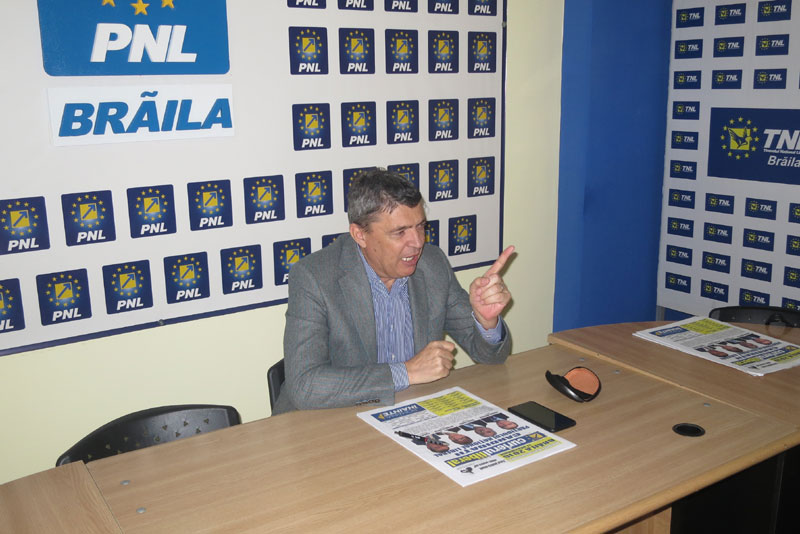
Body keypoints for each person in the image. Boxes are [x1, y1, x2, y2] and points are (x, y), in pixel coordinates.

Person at [272, 168, 514, 414]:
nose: (418, 242)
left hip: (409, 412)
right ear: (360, 235)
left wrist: (487, 322)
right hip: (328, 420)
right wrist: (406, 372)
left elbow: (491, 357)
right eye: (400, 232)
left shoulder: (432, 265)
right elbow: (305, 386)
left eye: (420, 226)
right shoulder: (314, 277)